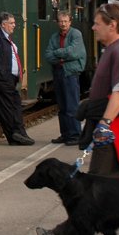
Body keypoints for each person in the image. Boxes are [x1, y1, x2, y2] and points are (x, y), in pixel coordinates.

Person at [36, 2, 119, 235]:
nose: (93, 27)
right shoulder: (115, 49)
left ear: (112, 25)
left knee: (93, 189)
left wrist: (105, 124)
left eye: (97, 23)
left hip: (116, 128)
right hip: (117, 127)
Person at [0, 12, 35, 145]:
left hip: (6, 78)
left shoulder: (4, 37)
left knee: (12, 105)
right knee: (9, 106)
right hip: (0, 78)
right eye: (11, 23)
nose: (14, 26)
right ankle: (15, 134)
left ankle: (17, 135)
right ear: (3, 24)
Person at [44, 10, 85, 146]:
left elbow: (74, 52)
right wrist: (62, 55)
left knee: (71, 105)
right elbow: (48, 55)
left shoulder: (76, 34)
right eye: (60, 21)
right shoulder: (54, 37)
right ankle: (65, 134)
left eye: (65, 21)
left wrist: (58, 53)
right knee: (62, 106)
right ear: (57, 22)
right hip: (58, 72)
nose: (63, 24)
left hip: (70, 73)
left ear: (70, 22)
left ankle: (75, 134)